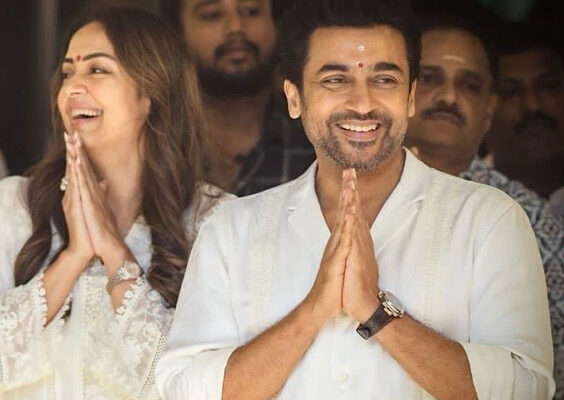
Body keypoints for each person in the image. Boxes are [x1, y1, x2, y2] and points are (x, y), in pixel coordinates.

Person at [155, 0, 554, 398]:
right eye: (335, 80)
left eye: (385, 80)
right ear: (294, 98)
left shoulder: (489, 220)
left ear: (410, 97)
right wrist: (313, 310)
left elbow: (527, 389)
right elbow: (185, 392)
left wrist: (375, 312)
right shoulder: (231, 229)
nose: (363, 104)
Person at [0, 6, 232, 400]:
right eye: (67, 72)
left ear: (151, 93)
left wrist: (113, 253)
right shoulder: (14, 206)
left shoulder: (212, 220)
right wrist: (73, 257)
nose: (72, 89)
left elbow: (195, 386)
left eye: (97, 70)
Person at [404, 14, 564, 398]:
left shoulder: (528, 218)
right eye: (429, 78)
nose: (448, 97)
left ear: (488, 111)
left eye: (469, 85)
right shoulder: (344, 194)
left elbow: (545, 382)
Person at [179, 0, 315, 195]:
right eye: (213, 15)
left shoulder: (316, 136)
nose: (236, 27)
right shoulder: (158, 141)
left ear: (276, 25)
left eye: (251, 11)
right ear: (179, 31)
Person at [483, 20, 564, 218]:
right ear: (484, 107)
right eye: (510, 91)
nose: (532, 105)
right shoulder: (462, 196)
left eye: (547, 87)